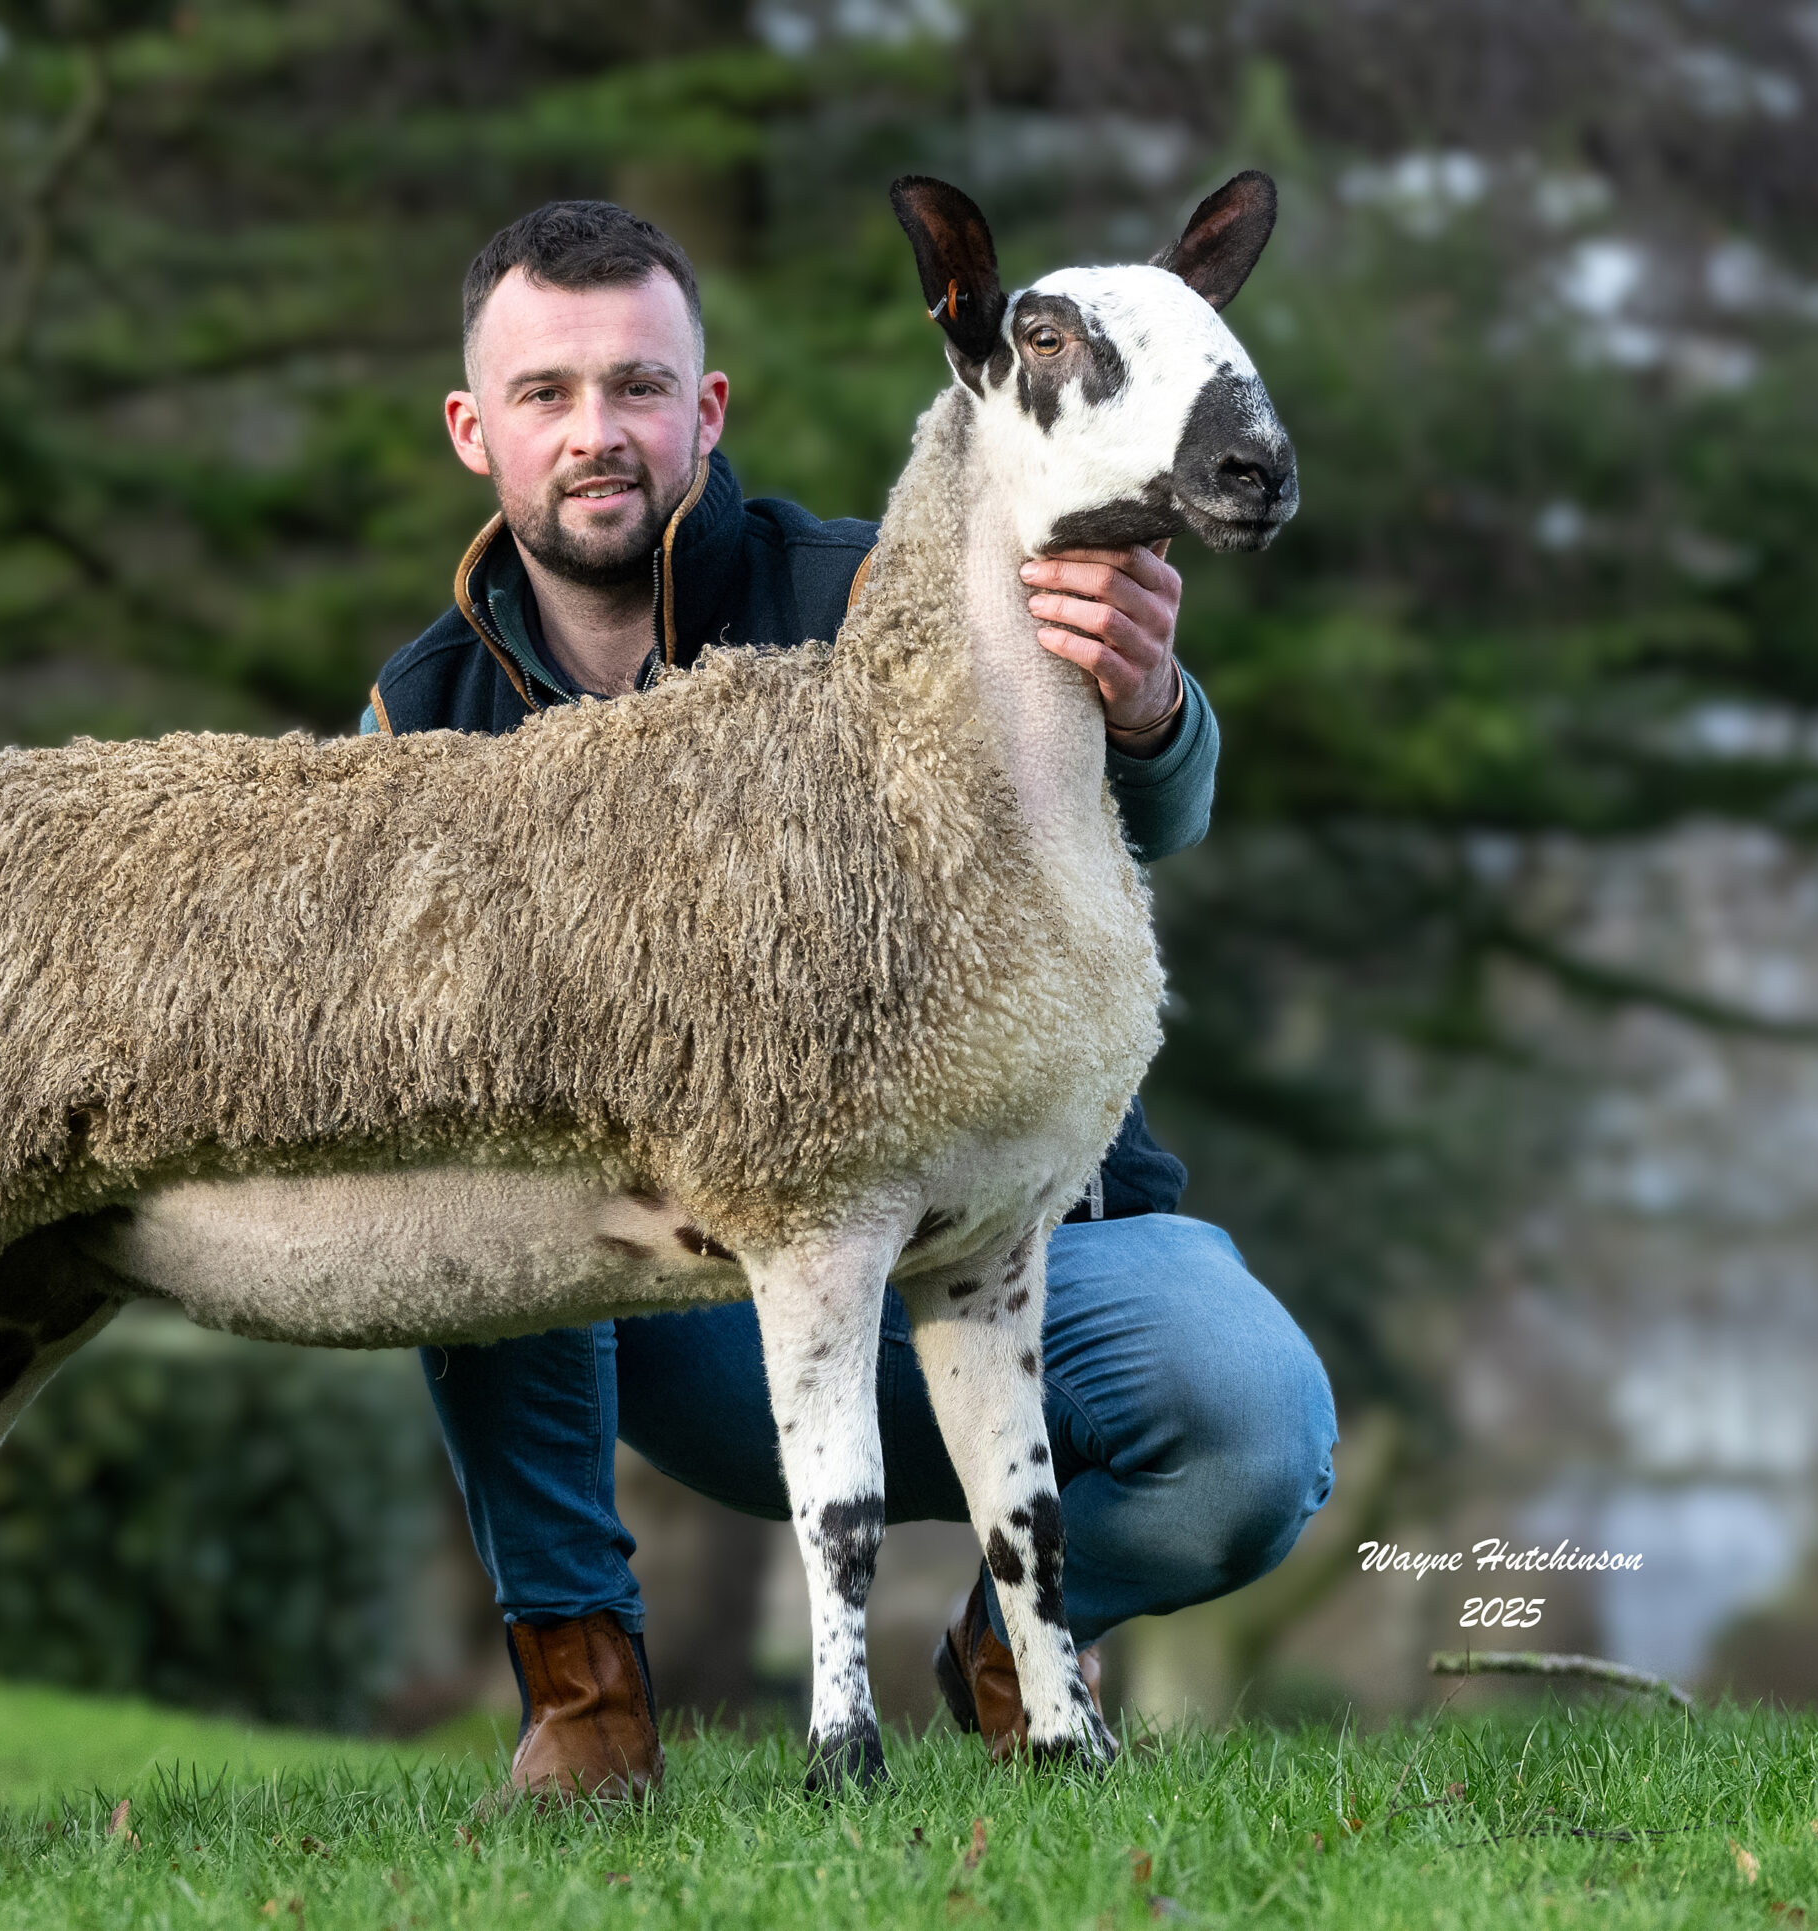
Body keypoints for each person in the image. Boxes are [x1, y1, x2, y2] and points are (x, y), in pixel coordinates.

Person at [361, 200, 1336, 1800]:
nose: (596, 434)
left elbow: (1145, 822)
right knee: (471, 1181)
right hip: (696, 1315)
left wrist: (1150, 704)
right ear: (477, 431)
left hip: (1011, 1237)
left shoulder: (889, 584)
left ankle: (1017, 1646)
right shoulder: (421, 716)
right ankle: (584, 1685)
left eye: (638, 387)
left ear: (710, 408)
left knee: (1251, 1423)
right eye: (547, 395)